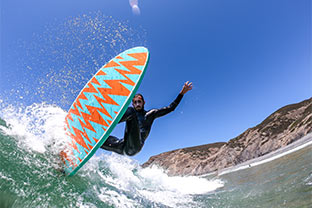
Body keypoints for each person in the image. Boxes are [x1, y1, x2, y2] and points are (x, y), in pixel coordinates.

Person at [100, 81, 193, 156]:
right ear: (133, 103)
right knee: (99, 140)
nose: (137, 104)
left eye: (139, 102)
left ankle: (107, 122)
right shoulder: (129, 114)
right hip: (122, 146)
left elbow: (170, 108)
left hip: (135, 147)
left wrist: (181, 94)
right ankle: (88, 133)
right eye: (135, 102)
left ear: (144, 102)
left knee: (131, 112)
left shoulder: (150, 114)